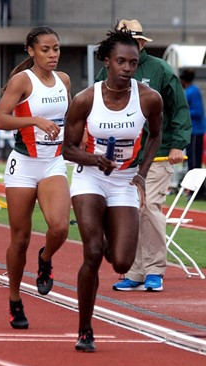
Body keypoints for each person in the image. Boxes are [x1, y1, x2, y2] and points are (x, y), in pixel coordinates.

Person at [62, 24, 163, 352]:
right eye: (121, 62)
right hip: (90, 177)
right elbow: (67, 150)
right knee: (92, 253)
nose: (127, 69)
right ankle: (85, 329)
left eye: (133, 63)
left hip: (123, 181)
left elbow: (156, 136)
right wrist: (93, 159)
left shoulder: (148, 98)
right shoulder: (85, 99)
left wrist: (142, 173)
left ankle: (107, 231)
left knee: (121, 262)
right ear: (106, 60)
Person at [96, 19, 191, 292]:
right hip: (120, 157)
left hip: (156, 153)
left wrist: (178, 144)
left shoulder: (159, 69)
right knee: (127, 212)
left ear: (141, 43)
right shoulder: (107, 72)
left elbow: (179, 108)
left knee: (149, 208)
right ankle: (135, 272)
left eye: (133, 40)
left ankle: (155, 270)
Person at [0, 26, 71, 330]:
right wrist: (35, 119)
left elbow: (71, 117)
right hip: (24, 165)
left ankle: (46, 258)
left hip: (52, 163)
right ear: (31, 51)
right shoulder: (22, 81)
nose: (52, 55)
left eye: (56, 49)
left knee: (60, 227)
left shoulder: (63, 80)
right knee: (20, 238)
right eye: (45, 50)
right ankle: (15, 300)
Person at [180, 69, 206, 168]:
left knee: (194, 159)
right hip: (191, 130)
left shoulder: (193, 91)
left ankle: (196, 182)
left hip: (196, 130)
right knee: (190, 156)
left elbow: (198, 111)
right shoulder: (188, 90)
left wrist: (183, 113)